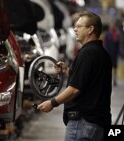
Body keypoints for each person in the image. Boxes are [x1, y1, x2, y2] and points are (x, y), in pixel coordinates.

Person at [37, 11, 112, 141]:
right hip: (98, 124)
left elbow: (75, 89)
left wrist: (52, 102)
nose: (75, 29)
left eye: (79, 26)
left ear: (90, 29)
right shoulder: (101, 53)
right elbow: (90, 80)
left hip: (84, 124)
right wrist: (69, 71)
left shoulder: (87, 53)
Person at [104, 22, 120, 86]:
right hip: (109, 53)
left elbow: (118, 44)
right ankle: (109, 79)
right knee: (109, 67)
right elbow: (106, 44)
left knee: (115, 67)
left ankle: (115, 79)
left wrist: (119, 52)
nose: (112, 27)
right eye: (111, 26)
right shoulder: (108, 34)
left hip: (115, 53)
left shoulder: (116, 34)